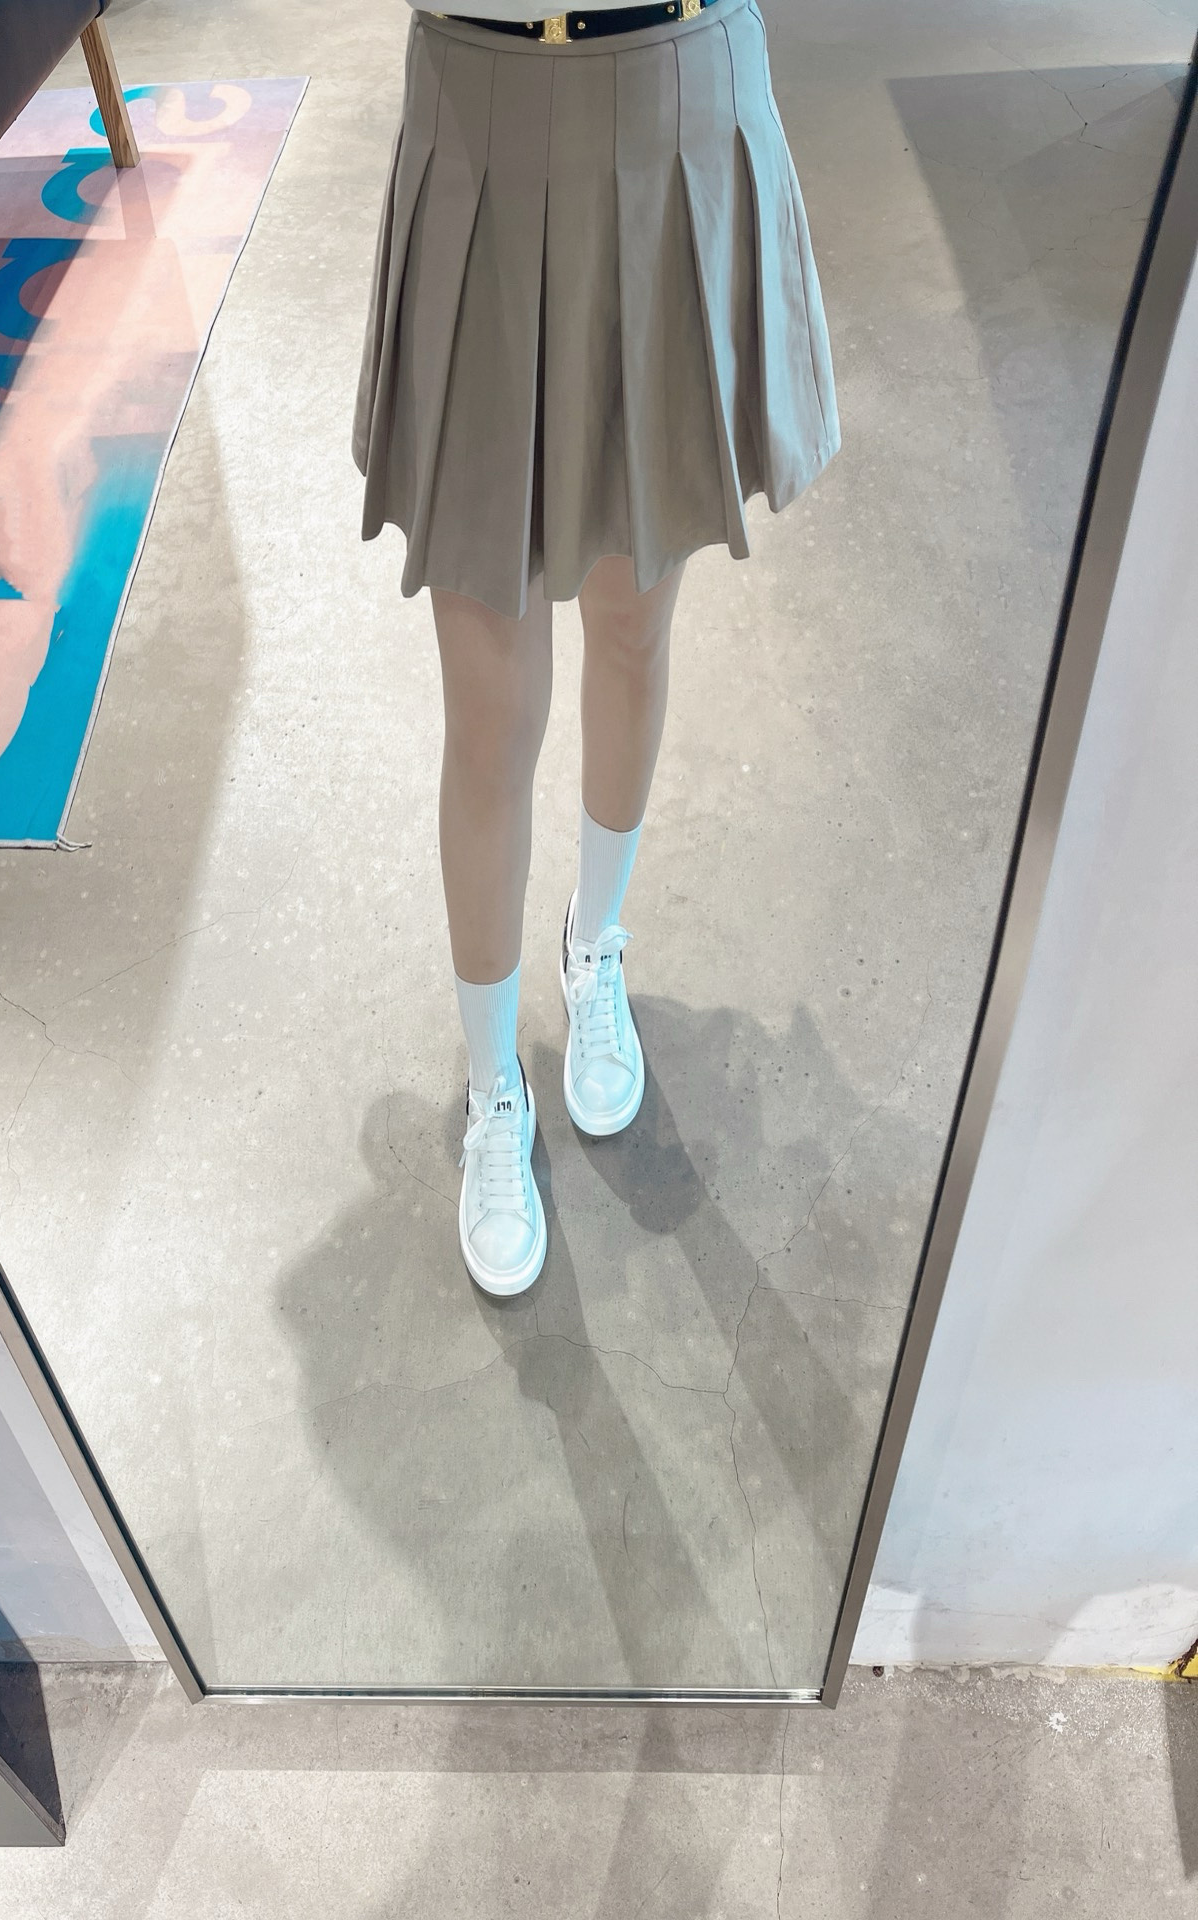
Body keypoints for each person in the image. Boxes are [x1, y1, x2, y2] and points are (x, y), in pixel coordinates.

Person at [354, 0, 840, 1297]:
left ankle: (595, 944)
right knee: (489, 704)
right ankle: (491, 1085)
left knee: (633, 625)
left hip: (674, 95)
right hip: (484, 107)